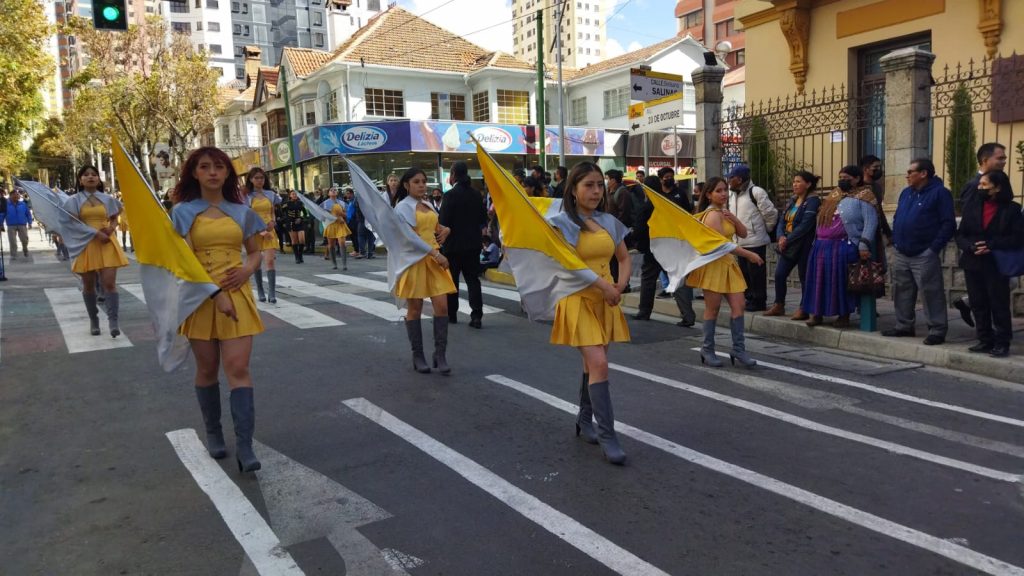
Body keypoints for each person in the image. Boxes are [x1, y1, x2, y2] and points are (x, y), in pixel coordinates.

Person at [172, 147, 265, 473]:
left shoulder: (243, 211)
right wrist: (215, 295)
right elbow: (183, 262)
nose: (212, 172)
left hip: (238, 294)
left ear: (228, 173)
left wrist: (246, 270)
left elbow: (254, 252)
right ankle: (213, 432)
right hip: (200, 298)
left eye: (219, 167)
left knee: (238, 368)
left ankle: (245, 445)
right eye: (205, 167)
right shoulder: (182, 212)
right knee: (208, 369)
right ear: (194, 173)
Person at [548, 162, 630, 464]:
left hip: (606, 299)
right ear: (573, 189)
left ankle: (584, 421)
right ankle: (608, 436)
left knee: (591, 364)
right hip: (577, 298)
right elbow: (572, 265)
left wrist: (620, 285)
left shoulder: (608, 221)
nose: (596, 191)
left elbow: (623, 257)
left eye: (599, 184)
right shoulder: (562, 223)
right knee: (599, 362)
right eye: (588, 185)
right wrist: (604, 286)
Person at [688, 177, 765, 368]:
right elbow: (723, 245)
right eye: (718, 191)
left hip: (728, 265)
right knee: (712, 310)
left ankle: (738, 349)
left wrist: (734, 218)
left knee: (739, 306)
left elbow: (744, 233)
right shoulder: (712, 215)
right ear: (708, 194)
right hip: (714, 266)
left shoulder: (722, 212)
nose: (723, 194)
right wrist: (749, 255)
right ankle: (707, 349)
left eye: (724, 190)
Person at [883, 158, 956, 345]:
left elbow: (948, 223)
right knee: (902, 290)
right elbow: (900, 216)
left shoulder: (940, 193)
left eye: (910, 172)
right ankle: (904, 325)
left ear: (923, 173)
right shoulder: (906, 193)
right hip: (902, 251)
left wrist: (933, 249)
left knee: (931, 292)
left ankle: (937, 330)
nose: (907, 175)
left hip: (924, 253)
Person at [394, 167, 456, 374]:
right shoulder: (402, 208)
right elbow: (411, 238)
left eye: (423, 181)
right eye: (416, 182)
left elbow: (436, 228)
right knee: (415, 309)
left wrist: (446, 230)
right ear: (406, 185)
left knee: (442, 307)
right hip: (415, 261)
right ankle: (417, 355)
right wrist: (436, 254)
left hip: (434, 260)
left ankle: (440, 355)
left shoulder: (428, 204)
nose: (421, 185)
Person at [955, 170, 1022, 358]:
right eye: (980, 184)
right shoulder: (972, 206)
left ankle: (1002, 341)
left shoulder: (1012, 210)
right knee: (977, 302)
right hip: (973, 261)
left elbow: (1017, 238)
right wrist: (969, 247)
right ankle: (984, 339)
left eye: (985, 185)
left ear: (998, 187)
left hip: (996, 263)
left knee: (998, 303)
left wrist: (991, 246)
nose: (980, 188)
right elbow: (960, 234)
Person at [802, 166, 878, 328]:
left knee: (841, 283)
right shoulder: (834, 194)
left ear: (857, 179)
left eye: (847, 177)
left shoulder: (866, 196)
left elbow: (871, 222)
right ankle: (816, 314)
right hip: (822, 245)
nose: (843, 180)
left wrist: (864, 245)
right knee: (818, 282)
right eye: (841, 176)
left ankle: (843, 315)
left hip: (844, 246)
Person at [66, 166, 129, 337]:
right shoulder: (73, 201)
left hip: (107, 243)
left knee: (109, 283)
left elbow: (116, 216)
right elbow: (73, 224)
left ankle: (113, 321)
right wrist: (95, 233)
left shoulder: (107, 199)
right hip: (86, 244)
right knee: (89, 285)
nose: (90, 177)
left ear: (98, 179)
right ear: (80, 180)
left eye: (93, 175)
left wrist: (111, 228)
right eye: (86, 175)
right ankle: (94, 320)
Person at [951, 142, 1008, 327]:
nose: (1004, 161)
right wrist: (975, 245)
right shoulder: (975, 185)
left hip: (998, 251)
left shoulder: (1001, 181)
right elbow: (970, 220)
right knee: (982, 298)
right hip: (978, 253)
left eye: (1004, 158)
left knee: (1001, 295)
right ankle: (985, 335)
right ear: (985, 160)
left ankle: (997, 335)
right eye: (1000, 158)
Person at [633, 175, 696, 327]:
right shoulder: (670, 203)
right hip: (672, 246)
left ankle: (644, 311)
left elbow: (640, 229)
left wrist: (638, 244)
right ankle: (688, 316)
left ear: (646, 189)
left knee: (648, 279)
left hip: (653, 248)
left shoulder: (646, 206)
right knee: (677, 278)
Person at [765, 171, 821, 319]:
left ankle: (804, 308)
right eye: (794, 181)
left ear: (808, 184)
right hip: (788, 244)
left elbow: (805, 225)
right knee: (779, 274)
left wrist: (787, 239)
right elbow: (782, 220)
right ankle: (779, 304)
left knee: (805, 277)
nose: (794, 184)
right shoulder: (792, 200)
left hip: (804, 244)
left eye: (798, 181)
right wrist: (780, 236)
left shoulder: (813, 201)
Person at [439, 161, 488, 328]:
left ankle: (452, 314)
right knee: (473, 280)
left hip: (453, 246)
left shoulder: (449, 195)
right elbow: (483, 219)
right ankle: (476, 316)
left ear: (453, 174)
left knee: (452, 281)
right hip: (473, 244)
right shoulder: (476, 194)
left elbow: (443, 221)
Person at [726, 164, 778, 312]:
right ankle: (750, 299)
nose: (729, 180)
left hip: (755, 240)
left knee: (756, 274)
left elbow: (771, 213)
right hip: (740, 241)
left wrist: (765, 229)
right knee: (745, 273)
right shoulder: (732, 195)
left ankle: (759, 300)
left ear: (739, 179)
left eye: (732, 178)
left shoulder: (756, 192)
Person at [244, 167, 281, 302]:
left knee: (270, 260)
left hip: (269, 230)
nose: (260, 180)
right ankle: (260, 290)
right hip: (254, 232)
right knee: (257, 262)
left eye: (262, 178)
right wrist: (260, 231)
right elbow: (247, 216)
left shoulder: (270, 194)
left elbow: (273, 211)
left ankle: (272, 293)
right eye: (256, 178)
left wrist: (273, 221)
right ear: (251, 180)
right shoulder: (246, 196)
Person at [321, 188, 351, 270]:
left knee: (342, 243)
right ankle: (334, 264)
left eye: (335, 190)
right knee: (331, 245)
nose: (333, 191)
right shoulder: (325, 203)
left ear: (337, 193)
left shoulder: (342, 203)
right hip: (330, 225)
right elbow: (322, 215)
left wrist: (342, 214)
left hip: (340, 224)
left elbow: (348, 214)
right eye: (331, 190)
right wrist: (334, 218)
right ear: (328, 194)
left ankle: (344, 264)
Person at [3, 189, 33, 259]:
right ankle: (13, 254)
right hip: (11, 225)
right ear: (10, 196)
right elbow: (2, 214)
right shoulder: (6, 205)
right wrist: (1, 223)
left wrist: (30, 222)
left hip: (22, 224)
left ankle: (25, 249)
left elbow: (28, 214)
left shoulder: (23, 204)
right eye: (15, 195)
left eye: (17, 195)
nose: (17, 196)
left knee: (25, 239)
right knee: (12, 241)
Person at [282, 190, 308, 263]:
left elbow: (305, 213)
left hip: (300, 222)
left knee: (302, 240)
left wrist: (301, 218)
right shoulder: (286, 204)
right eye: (293, 194)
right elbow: (282, 213)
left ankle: (300, 255)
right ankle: (297, 257)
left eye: (296, 194)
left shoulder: (301, 203)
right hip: (290, 223)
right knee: (295, 241)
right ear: (290, 195)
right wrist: (285, 221)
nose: (294, 195)